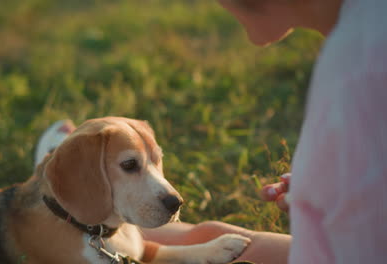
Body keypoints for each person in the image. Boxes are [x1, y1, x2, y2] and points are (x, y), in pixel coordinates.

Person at [36, 0, 387, 262]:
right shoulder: (363, 38)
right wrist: (329, 189)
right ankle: (75, 187)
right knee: (212, 235)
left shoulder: (357, 74)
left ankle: (61, 190)